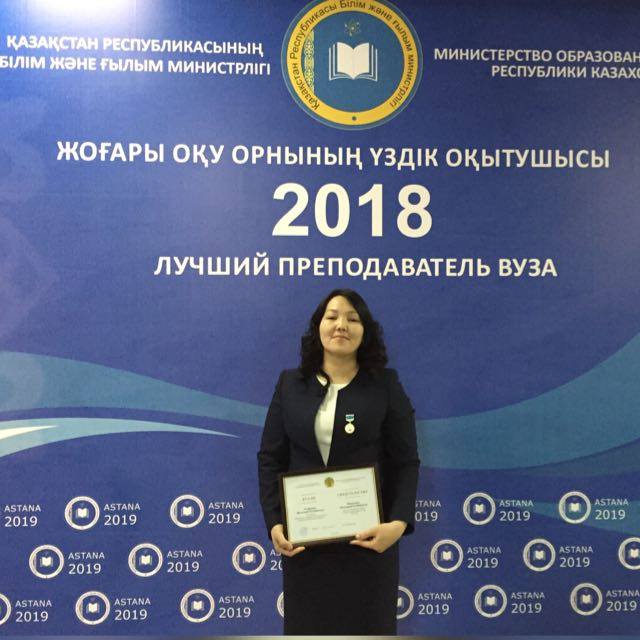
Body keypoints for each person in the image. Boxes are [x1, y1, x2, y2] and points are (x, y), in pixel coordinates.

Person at [257, 288, 420, 635]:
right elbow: (270, 458)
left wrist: (397, 524)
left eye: (352, 318)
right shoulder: (290, 384)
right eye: (332, 317)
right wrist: (275, 523)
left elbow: (406, 461)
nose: (341, 325)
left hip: (368, 544)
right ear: (318, 327)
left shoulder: (385, 385)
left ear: (365, 331)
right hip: (305, 547)